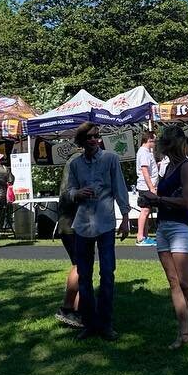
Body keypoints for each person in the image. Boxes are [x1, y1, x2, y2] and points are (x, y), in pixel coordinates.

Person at [143, 125, 188, 354]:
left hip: (182, 228)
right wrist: (152, 201)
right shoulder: (168, 167)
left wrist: (158, 199)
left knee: (186, 283)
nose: (165, 148)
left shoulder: (186, 167)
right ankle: (185, 333)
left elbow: (186, 201)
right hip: (163, 228)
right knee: (173, 282)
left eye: (167, 144)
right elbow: (164, 197)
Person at [62, 123, 129, 339]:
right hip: (83, 225)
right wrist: (77, 193)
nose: (94, 140)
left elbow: (120, 188)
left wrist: (125, 217)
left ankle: (106, 324)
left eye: (97, 136)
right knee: (84, 275)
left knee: (107, 273)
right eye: (90, 137)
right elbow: (68, 191)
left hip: (105, 223)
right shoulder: (75, 164)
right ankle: (88, 323)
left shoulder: (110, 159)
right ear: (82, 141)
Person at [52, 158, 84, 330]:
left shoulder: (70, 162)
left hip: (66, 221)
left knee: (79, 265)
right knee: (80, 266)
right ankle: (67, 307)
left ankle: (78, 312)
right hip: (74, 222)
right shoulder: (80, 162)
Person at [134, 132, 159, 247]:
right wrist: (151, 187)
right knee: (144, 210)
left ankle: (145, 235)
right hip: (145, 187)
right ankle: (140, 237)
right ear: (149, 140)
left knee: (147, 211)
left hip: (148, 186)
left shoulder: (147, 153)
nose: (155, 143)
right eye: (154, 141)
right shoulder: (143, 153)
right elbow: (144, 171)